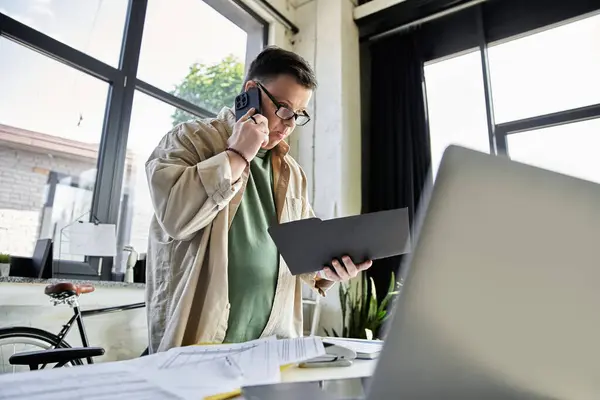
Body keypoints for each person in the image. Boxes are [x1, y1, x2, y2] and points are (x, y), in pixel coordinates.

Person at [145, 46, 373, 353]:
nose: (289, 124)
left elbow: (304, 255)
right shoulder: (189, 139)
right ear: (250, 92)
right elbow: (175, 217)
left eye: (298, 114)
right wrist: (237, 154)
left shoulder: (293, 173)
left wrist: (328, 271)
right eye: (283, 108)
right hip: (199, 344)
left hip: (273, 346)